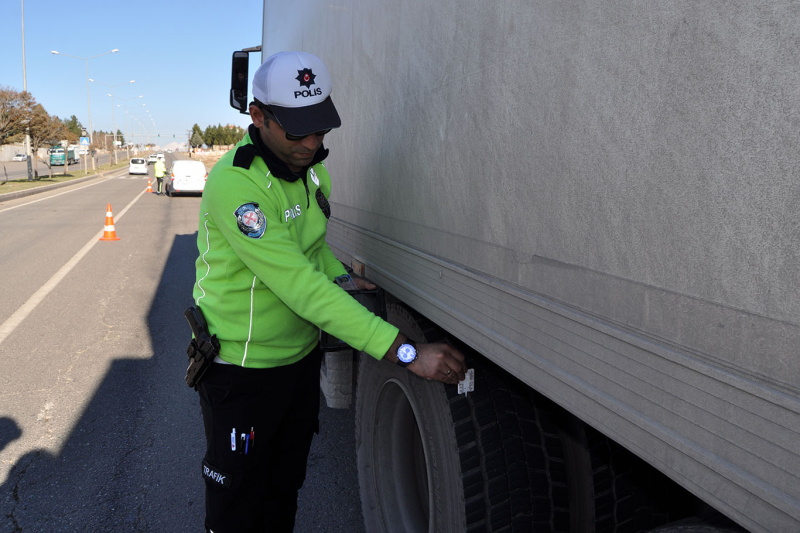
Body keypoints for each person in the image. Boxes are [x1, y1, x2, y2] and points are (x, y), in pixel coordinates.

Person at [191, 51, 467, 533]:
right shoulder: (235, 186)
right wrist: (404, 352)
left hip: (298, 365)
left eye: (320, 128)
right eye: (298, 131)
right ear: (258, 116)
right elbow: (300, 287)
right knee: (237, 507)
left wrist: (341, 276)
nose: (312, 142)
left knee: (283, 491)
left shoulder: (311, 169)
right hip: (242, 375)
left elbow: (310, 251)